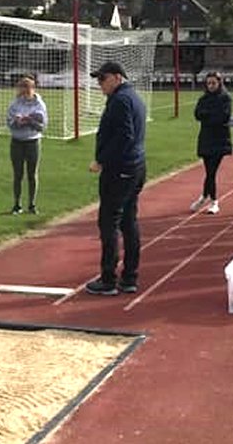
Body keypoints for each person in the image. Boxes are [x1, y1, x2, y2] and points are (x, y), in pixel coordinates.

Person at [86, 61, 147, 296]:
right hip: (135, 166)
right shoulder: (132, 97)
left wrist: (102, 160)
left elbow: (125, 136)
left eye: (103, 79)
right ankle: (129, 277)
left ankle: (109, 279)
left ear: (117, 78)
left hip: (121, 169)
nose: (99, 84)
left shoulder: (121, 100)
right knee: (128, 221)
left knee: (109, 222)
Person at [191, 71, 233, 215]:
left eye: (213, 83)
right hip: (206, 137)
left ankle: (213, 201)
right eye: (208, 83)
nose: (211, 86)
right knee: (208, 170)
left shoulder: (225, 98)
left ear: (219, 83)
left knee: (211, 172)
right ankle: (204, 196)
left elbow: (223, 117)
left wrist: (207, 115)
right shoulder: (203, 98)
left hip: (220, 139)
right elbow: (197, 114)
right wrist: (209, 115)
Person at [6, 74, 48, 215]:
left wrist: (30, 121)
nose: (24, 91)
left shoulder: (39, 104)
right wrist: (17, 122)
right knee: (18, 174)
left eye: (27, 88)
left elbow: (42, 126)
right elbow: (9, 123)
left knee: (32, 174)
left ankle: (32, 204)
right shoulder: (14, 104)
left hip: (33, 141)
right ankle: (17, 204)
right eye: (22, 88)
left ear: (32, 88)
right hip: (17, 141)